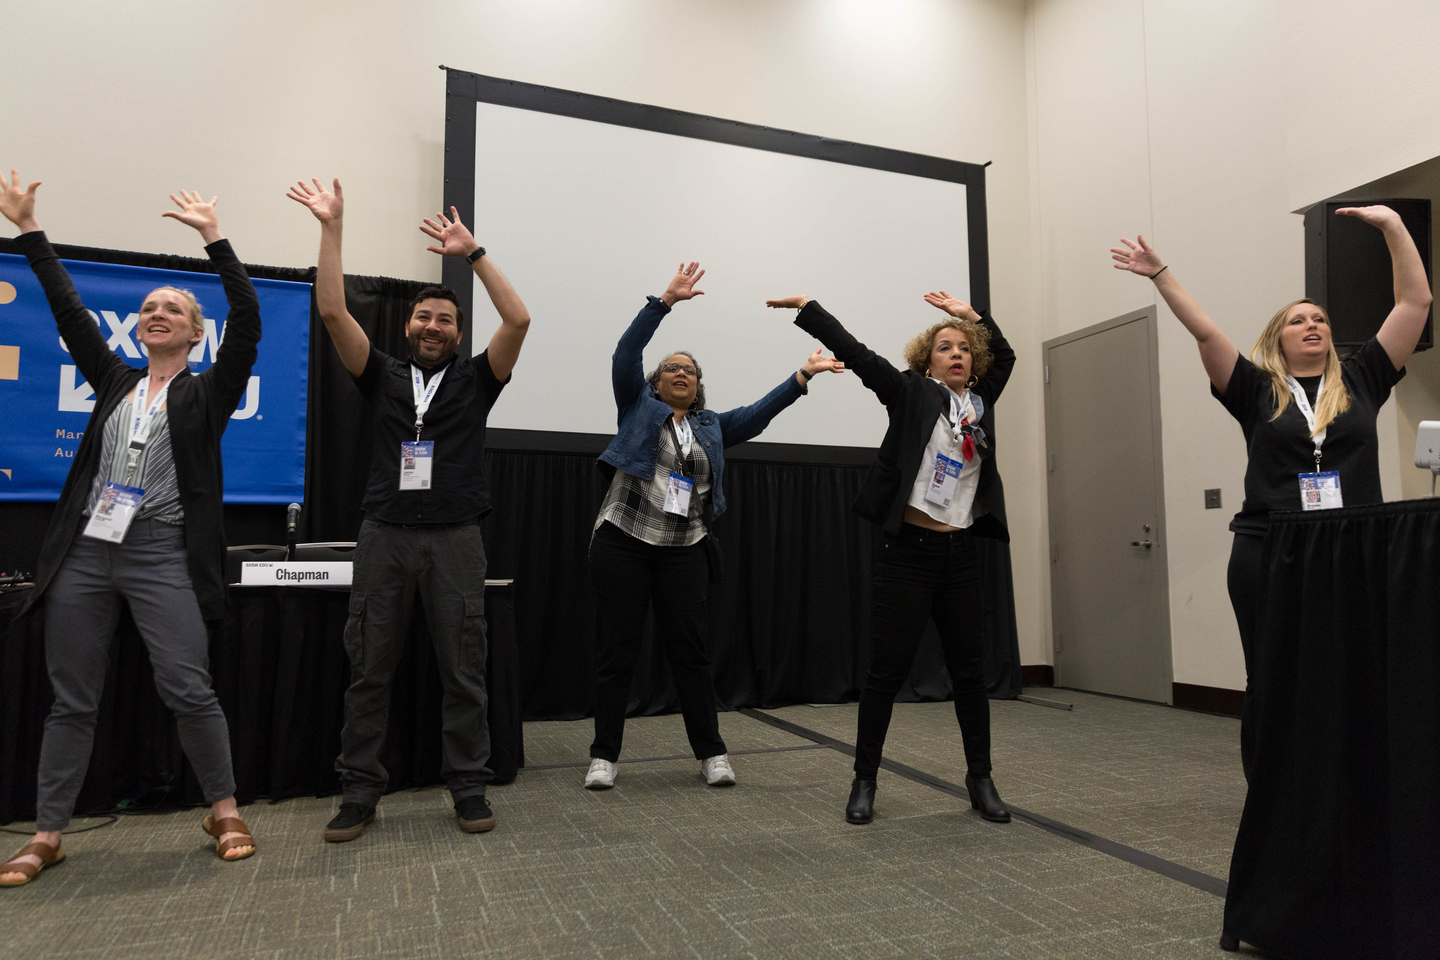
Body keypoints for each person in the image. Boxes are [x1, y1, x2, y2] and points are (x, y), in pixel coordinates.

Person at [0, 172, 263, 886]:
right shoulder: (115, 380)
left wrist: (214, 238)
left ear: (195, 332)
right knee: (72, 699)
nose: (156, 313)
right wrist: (29, 229)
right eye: (148, 308)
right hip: (87, 553)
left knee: (188, 687)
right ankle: (47, 834)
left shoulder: (209, 392)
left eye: (172, 308)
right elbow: (69, 311)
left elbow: (248, 320)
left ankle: (224, 809)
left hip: (161, 554)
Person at [1111, 207, 1431, 782]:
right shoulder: (1255, 389)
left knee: (1353, 670)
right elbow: (1205, 331)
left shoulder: (1362, 379)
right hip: (1270, 547)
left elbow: (1414, 303)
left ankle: (1349, 784)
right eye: (1297, 321)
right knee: (1273, 673)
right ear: (1276, 338)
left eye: (1320, 319)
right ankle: (1273, 788)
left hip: (1351, 547)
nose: (1312, 325)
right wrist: (1160, 274)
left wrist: (1392, 227)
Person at [287, 179, 531, 841]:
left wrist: (474, 253)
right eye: (424, 317)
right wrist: (331, 228)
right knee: (368, 671)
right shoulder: (382, 375)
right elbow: (333, 312)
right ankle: (359, 792)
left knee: (464, 672)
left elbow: (518, 320)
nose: (433, 326)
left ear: (458, 333)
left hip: (456, 539)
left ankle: (469, 787)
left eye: (445, 320)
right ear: (407, 326)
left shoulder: (478, 379)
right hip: (385, 537)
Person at [583, 262, 845, 790]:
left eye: (690, 371)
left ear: (698, 386)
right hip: (625, 542)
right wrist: (663, 302)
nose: (681, 373)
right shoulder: (637, 407)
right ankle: (603, 757)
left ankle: (712, 753)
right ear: (656, 382)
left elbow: (759, 412)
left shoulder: (712, 428)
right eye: (671, 369)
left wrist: (803, 375)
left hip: (684, 549)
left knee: (692, 656)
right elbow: (624, 354)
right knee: (617, 654)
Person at [767, 289, 1016, 825]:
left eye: (964, 348)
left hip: (960, 555)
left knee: (970, 674)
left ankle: (981, 778)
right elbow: (857, 354)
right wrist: (810, 308)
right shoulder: (909, 393)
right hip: (908, 554)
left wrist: (971, 317)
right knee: (885, 672)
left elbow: (1007, 355)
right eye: (944, 347)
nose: (956, 353)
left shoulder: (979, 404)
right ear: (927, 361)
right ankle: (865, 779)